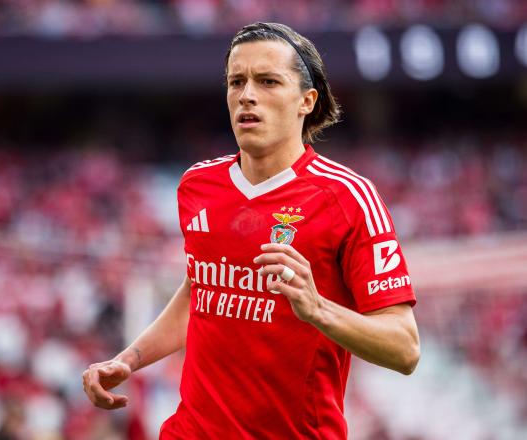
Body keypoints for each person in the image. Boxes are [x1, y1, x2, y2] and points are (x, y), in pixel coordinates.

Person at [83, 22, 420, 439]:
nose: (246, 95)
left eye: (267, 81)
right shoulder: (197, 185)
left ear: (307, 101)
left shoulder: (349, 198)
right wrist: (129, 359)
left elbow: (405, 348)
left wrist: (317, 309)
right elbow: (199, 292)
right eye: (236, 82)